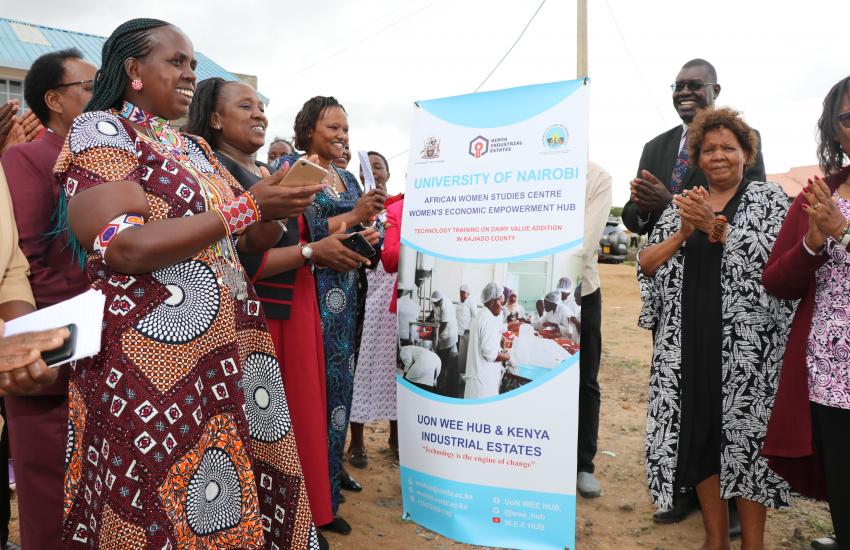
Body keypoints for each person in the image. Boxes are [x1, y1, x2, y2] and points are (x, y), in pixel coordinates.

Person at [54, 19, 327, 547]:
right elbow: (121, 245)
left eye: (194, 65)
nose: (189, 74)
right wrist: (247, 208)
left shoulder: (194, 147)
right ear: (133, 69)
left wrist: (277, 204)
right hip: (153, 363)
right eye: (176, 61)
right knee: (159, 498)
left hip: (227, 352)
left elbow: (248, 241)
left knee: (225, 490)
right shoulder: (102, 130)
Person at [184, 77, 374, 545]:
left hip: (304, 294)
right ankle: (286, 518)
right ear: (214, 118)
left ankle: (309, 510)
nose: (259, 114)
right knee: (276, 421)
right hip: (266, 306)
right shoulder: (218, 171)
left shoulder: (268, 172)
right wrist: (314, 247)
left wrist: (344, 235)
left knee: (307, 413)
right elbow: (248, 256)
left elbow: (285, 235)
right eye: (245, 106)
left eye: (260, 106)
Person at [637, 107, 792, 550]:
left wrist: (721, 232)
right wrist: (684, 232)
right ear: (698, 158)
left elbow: (781, 265)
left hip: (748, 347)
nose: (718, 155)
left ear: (746, 153)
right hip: (688, 343)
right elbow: (646, 263)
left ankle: (753, 544)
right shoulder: (685, 203)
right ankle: (715, 540)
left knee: (747, 440)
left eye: (728, 147)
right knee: (699, 435)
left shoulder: (770, 200)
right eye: (709, 149)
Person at [0, 47, 95, 550]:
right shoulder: (28, 157)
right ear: (54, 100)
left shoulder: (108, 159)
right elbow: (29, 259)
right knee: (51, 496)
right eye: (89, 88)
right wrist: (81, 329)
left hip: (106, 347)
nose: (103, 97)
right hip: (53, 351)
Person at [280, 95, 386, 524]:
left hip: (349, 294)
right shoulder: (293, 170)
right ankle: (306, 503)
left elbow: (356, 225)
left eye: (345, 129)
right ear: (308, 130)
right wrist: (354, 215)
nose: (342, 136)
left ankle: (329, 487)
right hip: (311, 294)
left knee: (340, 393)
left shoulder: (346, 177)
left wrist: (369, 230)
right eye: (333, 128)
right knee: (312, 396)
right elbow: (294, 233)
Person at [762, 76, 850, 550]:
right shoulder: (817, 197)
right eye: (848, 117)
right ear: (835, 130)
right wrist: (813, 243)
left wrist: (844, 233)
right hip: (831, 376)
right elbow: (777, 282)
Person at [622, 59, 766, 239]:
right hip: (659, 254)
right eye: (679, 87)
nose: (684, 92)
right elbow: (633, 220)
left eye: (694, 85)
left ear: (716, 90)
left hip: (714, 253)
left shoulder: (741, 141)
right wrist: (643, 209)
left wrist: (670, 203)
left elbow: (752, 210)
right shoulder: (654, 147)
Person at [349, 151, 399, 467]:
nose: (373, 172)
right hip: (364, 298)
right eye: (367, 168)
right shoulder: (356, 210)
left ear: (388, 174)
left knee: (396, 370)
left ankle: (396, 440)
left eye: (378, 166)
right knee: (360, 369)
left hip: (394, 299)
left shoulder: (399, 209)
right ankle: (356, 442)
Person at [574, 162, 613, 499]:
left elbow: (585, 244)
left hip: (583, 291)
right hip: (532, 283)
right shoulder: (525, 166)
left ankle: (582, 464)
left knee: (585, 380)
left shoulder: (597, 178)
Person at [464, 283, 511, 399]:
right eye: (501, 303)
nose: (502, 308)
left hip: (479, 379)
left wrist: (500, 348)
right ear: (492, 301)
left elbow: (490, 341)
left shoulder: (483, 315)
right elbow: (490, 354)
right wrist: (509, 357)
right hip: (482, 383)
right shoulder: (487, 319)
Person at [430, 290, 459, 396]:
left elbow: (444, 324)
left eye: (436, 302)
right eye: (434, 302)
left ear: (441, 300)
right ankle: (438, 380)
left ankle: (441, 385)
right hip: (440, 332)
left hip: (448, 334)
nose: (435, 304)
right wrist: (427, 320)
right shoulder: (436, 301)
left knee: (443, 359)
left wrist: (435, 334)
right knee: (439, 355)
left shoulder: (446, 305)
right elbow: (433, 312)